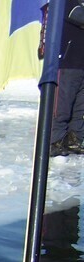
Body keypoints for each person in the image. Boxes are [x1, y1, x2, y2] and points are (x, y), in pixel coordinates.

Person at [50, 0, 84, 156]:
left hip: (81, 63)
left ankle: (74, 138)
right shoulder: (65, 2)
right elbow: (77, 14)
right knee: (62, 105)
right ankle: (55, 140)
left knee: (80, 106)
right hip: (67, 62)